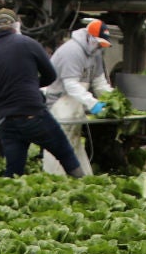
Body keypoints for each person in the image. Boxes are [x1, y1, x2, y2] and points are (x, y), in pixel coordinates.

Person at [0, 10, 85, 178]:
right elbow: (51, 75)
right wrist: (31, 86)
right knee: (65, 154)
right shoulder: (28, 43)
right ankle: (84, 187)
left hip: (6, 121)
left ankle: (9, 201)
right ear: (16, 25)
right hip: (33, 115)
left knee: (14, 171)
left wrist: (0, 104)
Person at [47, 19, 115, 176]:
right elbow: (70, 85)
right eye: (98, 43)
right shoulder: (72, 51)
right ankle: (54, 177)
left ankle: (80, 177)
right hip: (59, 103)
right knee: (58, 142)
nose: (100, 47)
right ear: (89, 37)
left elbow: (99, 84)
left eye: (102, 45)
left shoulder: (95, 53)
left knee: (75, 140)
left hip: (75, 104)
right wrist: (93, 104)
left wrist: (113, 100)